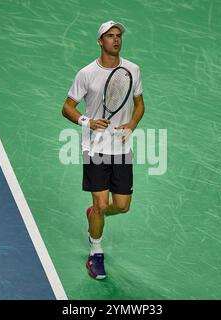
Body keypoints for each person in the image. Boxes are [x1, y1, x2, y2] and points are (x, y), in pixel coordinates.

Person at [61, 20, 145, 280]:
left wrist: (131, 124)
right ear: (100, 41)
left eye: (118, 35)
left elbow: (140, 104)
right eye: (110, 36)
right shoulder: (86, 73)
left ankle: (95, 214)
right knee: (100, 203)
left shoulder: (132, 69)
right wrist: (87, 121)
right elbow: (67, 107)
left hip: (121, 147)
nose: (116, 40)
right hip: (95, 147)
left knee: (121, 206)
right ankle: (96, 252)